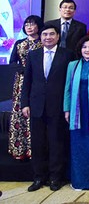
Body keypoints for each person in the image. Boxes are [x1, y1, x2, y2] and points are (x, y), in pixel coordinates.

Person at [20, 24, 75, 192]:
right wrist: (25, 104)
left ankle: (55, 178)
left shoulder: (68, 55)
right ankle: (38, 177)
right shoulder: (33, 55)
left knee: (56, 143)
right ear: (41, 37)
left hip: (58, 107)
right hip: (36, 107)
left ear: (58, 37)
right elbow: (27, 82)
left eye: (52, 34)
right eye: (45, 34)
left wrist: (68, 107)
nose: (48, 37)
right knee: (38, 144)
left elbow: (71, 83)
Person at [63, 36, 89, 190]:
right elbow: (67, 89)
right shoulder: (72, 65)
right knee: (78, 147)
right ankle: (79, 181)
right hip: (77, 113)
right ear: (80, 50)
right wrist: (66, 109)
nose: (87, 50)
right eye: (84, 47)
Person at [8, 15, 43, 160]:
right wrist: (22, 70)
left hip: (38, 81)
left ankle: (34, 149)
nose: (29, 27)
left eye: (32, 24)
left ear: (38, 26)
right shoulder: (19, 43)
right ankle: (19, 149)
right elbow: (12, 63)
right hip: (21, 82)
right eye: (27, 24)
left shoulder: (43, 43)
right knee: (19, 113)